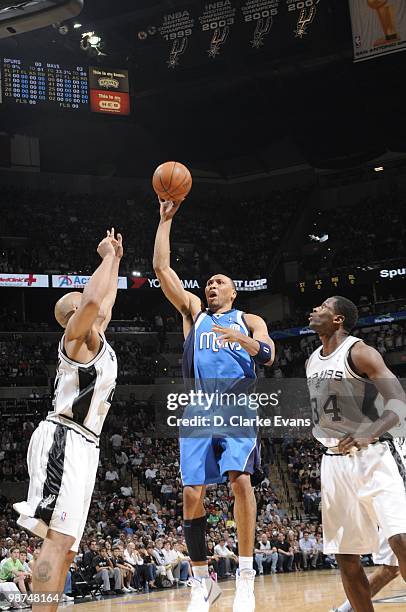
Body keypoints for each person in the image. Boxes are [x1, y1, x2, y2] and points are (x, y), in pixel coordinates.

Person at [153, 198, 275, 612]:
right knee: (191, 493)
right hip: (199, 407)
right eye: (207, 282)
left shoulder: (248, 319)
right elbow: (161, 271)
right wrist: (165, 221)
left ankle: (244, 576)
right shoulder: (194, 314)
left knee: (240, 480)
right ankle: (201, 581)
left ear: (233, 291)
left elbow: (269, 354)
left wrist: (246, 341)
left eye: (219, 282)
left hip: (239, 404)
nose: (211, 286)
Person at [13, 229, 123, 612]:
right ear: (74, 315)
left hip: (85, 445)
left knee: (68, 549)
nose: (97, 310)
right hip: (64, 438)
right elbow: (94, 300)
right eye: (84, 306)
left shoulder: (97, 338)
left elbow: (103, 301)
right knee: (55, 541)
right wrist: (105, 257)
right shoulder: (76, 338)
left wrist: (118, 260)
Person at [307, 296, 406, 612]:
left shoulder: (360, 352)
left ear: (337, 319)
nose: (314, 310)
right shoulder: (311, 359)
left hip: (374, 456)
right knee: (346, 555)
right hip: (333, 463)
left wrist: (370, 431)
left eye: (322, 307)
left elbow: (399, 401)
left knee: (401, 541)